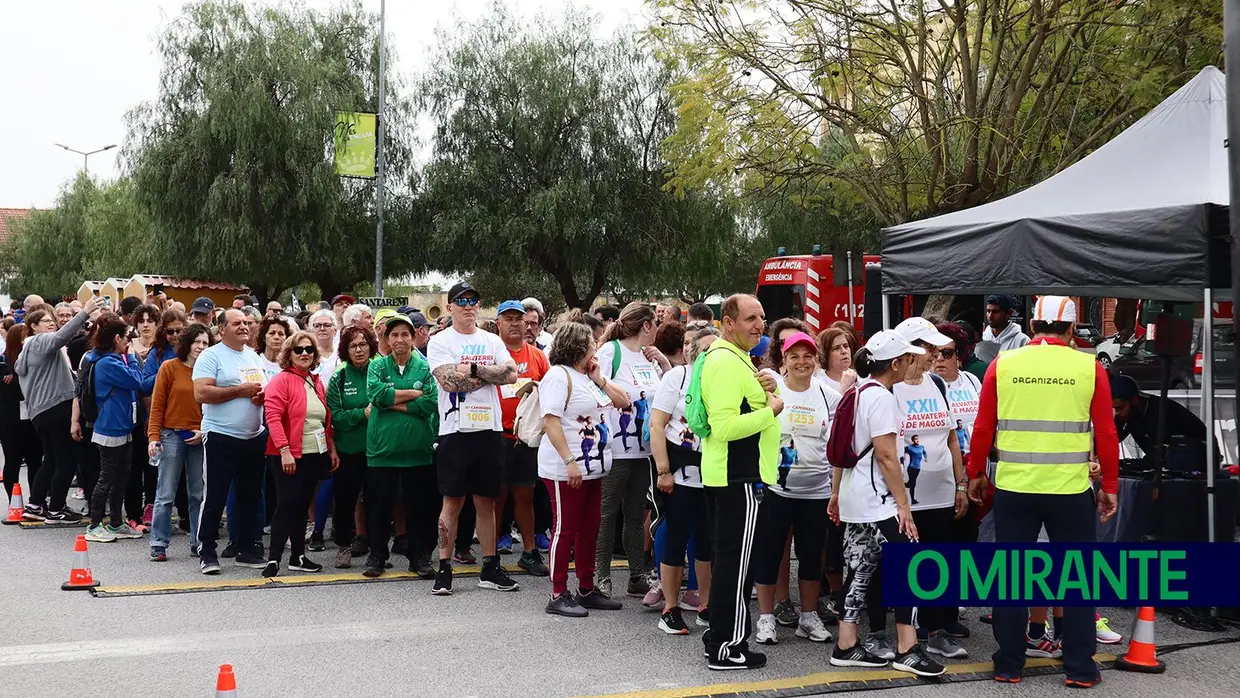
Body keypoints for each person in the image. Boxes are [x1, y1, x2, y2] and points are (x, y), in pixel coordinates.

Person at [967, 296, 1119, 688]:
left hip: (1016, 489)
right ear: (1071, 330)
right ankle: (1081, 669)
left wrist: (975, 473)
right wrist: (1111, 487)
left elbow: (983, 429)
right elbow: (1105, 433)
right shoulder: (1089, 368)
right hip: (1070, 491)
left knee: (1013, 576)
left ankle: (1008, 665)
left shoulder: (1004, 364)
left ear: (1032, 327)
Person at [828, 330, 945, 678]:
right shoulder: (880, 397)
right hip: (877, 501)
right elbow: (886, 456)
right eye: (909, 358)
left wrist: (836, 493)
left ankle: (846, 644)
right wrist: (903, 505)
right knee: (909, 563)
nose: (913, 363)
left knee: (859, 567)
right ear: (895, 363)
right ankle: (907, 649)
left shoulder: (859, 390)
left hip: (855, 496)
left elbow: (843, 451)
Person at [698, 294, 782, 670]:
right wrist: (772, 410)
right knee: (736, 566)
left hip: (730, 475)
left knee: (730, 563)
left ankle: (719, 639)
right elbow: (725, 426)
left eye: (762, 318)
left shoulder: (731, 358)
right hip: (738, 477)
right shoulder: (726, 362)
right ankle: (727, 646)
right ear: (727, 322)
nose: (759, 325)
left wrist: (768, 391)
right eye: (750, 318)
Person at [428, 282, 520, 594]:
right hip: (455, 431)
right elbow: (448, 382)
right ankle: (444, 566)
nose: (468, 306)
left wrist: (473, 371)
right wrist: (484, 373)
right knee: (452, 502)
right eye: (461, 301)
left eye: (473, 300)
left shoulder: (492, 339)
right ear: (450, 306)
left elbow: (510, 374)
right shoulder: (440, 341)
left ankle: (490, 566)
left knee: (486, 501)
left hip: (489, 430)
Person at [538, 313, 631, 617]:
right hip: (567, 468)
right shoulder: (557, 376)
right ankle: (557, 592)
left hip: (594, 467)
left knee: (590, 529)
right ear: (578, 346)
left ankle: (587, 587)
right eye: (592, 343)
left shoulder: (588, 378)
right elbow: (550, 421)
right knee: (565, 529)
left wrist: (599, 377)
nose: (596, 347)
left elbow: (623, 402)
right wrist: (569, 460)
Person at [752, 331, 840, 647]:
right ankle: (765, 619)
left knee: (811, 556)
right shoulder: (771, 391)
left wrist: (835, 490)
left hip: (816, 491)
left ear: (816, 360)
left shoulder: (829, 396)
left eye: (807, 356)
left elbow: (837, 445)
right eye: (794, 356)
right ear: (784, 362)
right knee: (769, 553)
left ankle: (808, 617)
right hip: (775, 489)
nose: (801, 362)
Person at [891, 317, 969, 659]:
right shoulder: (890, 387)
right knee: (907, 564)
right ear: (910, 350)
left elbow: (952, 437)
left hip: (941, 492)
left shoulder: (937, 383)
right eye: (928, 348)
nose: (934, 354)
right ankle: (908, 636)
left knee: (940, 561)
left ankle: (938, 631)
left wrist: (961, 484)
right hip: (906, 496)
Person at [594, 302, 671, 598]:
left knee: (636, 514)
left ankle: (636, 574)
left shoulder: (647, 357)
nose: (658, 330)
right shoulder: (611, 352)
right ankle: (602, 576)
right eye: (656, 324)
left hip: (643, 450)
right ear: (646, 326)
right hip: (615, 447)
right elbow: (597, 387)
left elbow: (663, 396)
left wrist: (664, 365)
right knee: (607, 514)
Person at [649, 325, 719, 634]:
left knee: (706, 541)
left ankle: (706, 604)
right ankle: (670, 607)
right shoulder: (677, 377)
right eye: (707, 349)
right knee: (676, 537)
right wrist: (663, 470)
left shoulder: (722, 380)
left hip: (712, 472)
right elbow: (657, 425)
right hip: (678, 470)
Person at [193, 309, 270, 575]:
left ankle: (246, 548)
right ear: (221, 328)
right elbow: (201, 392)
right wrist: (240, 391)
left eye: (247, 323)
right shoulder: (210, 356)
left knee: (249, 496)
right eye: (237, 323)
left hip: (253, 437)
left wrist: (261, 397)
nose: (244, 327)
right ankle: (207, 550)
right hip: (221, 436)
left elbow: (262, 389)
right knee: (215, 497)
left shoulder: (252, 356)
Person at [363, 313, 440, 578]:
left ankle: (419, 556)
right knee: (379, 506)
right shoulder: (377, 367)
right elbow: (376, 394)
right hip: (382, 451)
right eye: (394, 334)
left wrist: (393, 401)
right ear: (386, 338)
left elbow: (430, 402)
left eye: (405, 334)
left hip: (418, 451)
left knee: (419, 507)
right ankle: (377, 555)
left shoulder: (424, 367)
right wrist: (412, 396)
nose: (399, 340)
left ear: (413, 337)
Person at [15, 297, 100, 523]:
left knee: (51, 460)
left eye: (51, 320)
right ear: (33, 326)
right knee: (67, 461)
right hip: (55, 408)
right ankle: (56, 510)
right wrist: (85, 313)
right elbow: (63, 336)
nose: (51, 323)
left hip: (41, 413)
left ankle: (35, 505)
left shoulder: (28, 349)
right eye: (44, 321)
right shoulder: (40, 341)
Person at [261, 330, 337, 577]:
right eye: (299, 349)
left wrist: (331, 449)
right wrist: (284, 450)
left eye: (309, 350)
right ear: (289, 354)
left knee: (302, 505)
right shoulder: (281, 381)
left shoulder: (315, 381)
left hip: (314, 453)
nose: (304, 354)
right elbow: (272, 418)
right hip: (288, 453)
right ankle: (274, 559)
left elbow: (324, 421)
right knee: (287, 504)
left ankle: (298, 556)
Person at [494, 300, 551, 576]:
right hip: (497, 436)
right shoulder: (493, 353)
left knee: (524, 495)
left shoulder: (538, 356)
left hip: (526, 440)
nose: (516, 323)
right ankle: (491, 556)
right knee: (497, 497)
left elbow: (550, 390)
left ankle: (529, 552)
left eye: (520, 318)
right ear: (498, 324)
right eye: (509, 318)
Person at [146, 323, 211, 561]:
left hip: (199, 435)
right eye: (197, 342)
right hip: (171, 435)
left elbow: (214, 406)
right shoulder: (169, 367)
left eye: (205, 343)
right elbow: (157, 405)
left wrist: (203, 430)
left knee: (197, 493)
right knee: (165, 493)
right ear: (187, 343)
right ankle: (159, 542)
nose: (201, 347)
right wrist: (153, 437)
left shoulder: (210, 371)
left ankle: (198, 541)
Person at [82, 314, 148, 543]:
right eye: (127, 338)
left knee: (122, 477)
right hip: (110, 428)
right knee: (107, 477)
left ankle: (116, 523)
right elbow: (136, 381)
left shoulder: (112, 359)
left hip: (123, 425)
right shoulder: (108, 362)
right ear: (117, 338)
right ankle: (94, 525)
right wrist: (131, 359)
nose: (129, 342)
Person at [326, 325, 376, 569]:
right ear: (345, 349)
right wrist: (361, 414)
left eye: (363, 344)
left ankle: (377, 551)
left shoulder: (379, 369)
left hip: (377, 450)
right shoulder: (339, 376)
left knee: (378, 501)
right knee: (345, 501)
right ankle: (343, 547)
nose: (359, 350)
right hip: (348, 451)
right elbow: (335, 416)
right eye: (353, 345)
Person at [1110, 373, 1221, 470]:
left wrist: (1128, 464)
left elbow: (1159, 455)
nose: (1118, 413)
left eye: (1120, 408)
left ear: (1135, 400)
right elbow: (1111, 437)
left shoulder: (1159, 411)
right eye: (1114, 409)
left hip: (1197, 459)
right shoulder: (1131, 413)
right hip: (1176, 460)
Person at [0, 325, 43, 500]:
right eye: (25, 336)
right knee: (12, 461)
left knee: (35, 462)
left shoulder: (34, 361)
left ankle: (36, 501)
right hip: (10, 421)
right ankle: (14, 502)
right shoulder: (4, 364)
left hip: (32, 419)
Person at [979, 295, 1030, 360]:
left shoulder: (1022, 340)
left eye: (995, 312)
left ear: (1009, 313)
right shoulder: (983, 338)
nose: (990, 316)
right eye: (988, 311)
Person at [816, 325, 859, 394]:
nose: (844, 351)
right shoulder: (818, 382)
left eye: (846, 346)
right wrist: (844, 390)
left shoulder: (861, 379)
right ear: (824, 354)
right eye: (836, 348)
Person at [308, 310, 340, 378]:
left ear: (335, 331)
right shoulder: (308, 354)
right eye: (317, 326)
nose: (322, 329)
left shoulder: (342, 353)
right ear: (312, 331)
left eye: (327, 325)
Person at [257, 316, 290, 380]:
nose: (276, 337)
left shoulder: (289, 364)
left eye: (281, 334)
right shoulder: (255, 360)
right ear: (264, 337)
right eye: (272, 333)